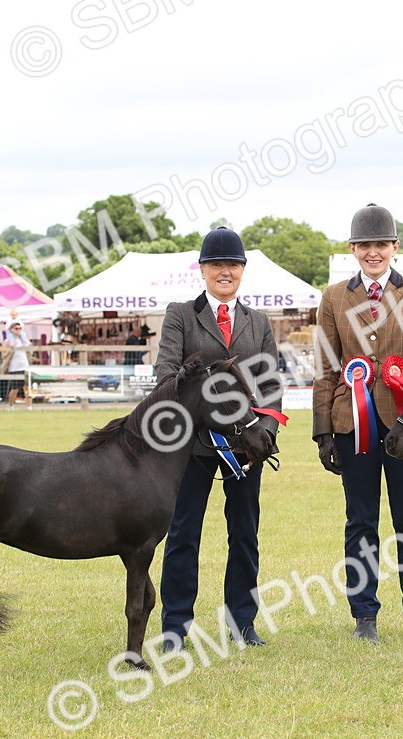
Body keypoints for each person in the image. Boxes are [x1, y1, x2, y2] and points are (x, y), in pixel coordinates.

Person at [312, 203, 403, 644]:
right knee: (360, 520)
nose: (374, 252)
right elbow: (326, 367)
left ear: (395, 246)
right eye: (365, 244)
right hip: (351, 424)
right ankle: (364, 615)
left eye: (381, 244)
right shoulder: (334, 297)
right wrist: (322, 431)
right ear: (352, 248)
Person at [156, 227, 284, 651]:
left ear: (242, 270)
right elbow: (166, 376)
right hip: (193, 447)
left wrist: (263, 434)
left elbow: (270, 384)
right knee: (183, 535)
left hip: (246, 446)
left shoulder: (258, 322)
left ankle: (242, 622)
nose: (224, 271)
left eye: (232, 264)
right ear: (202, 269)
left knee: (245, 535)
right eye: (216, 265)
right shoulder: (180, 315)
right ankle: (175, 627)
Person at [2, 321, 30, 404]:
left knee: (27, 388)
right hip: (14, 367)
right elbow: (4, 355)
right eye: (16, 328)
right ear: (11, 330)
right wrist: (11, 348)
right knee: (15, 388)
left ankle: (29, 406)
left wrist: (28, 344)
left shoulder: (24, 340)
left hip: (25, 365)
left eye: (20, 328)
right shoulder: (7, 341)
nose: (18, 330)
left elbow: (29, 349)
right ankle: (11, 406)